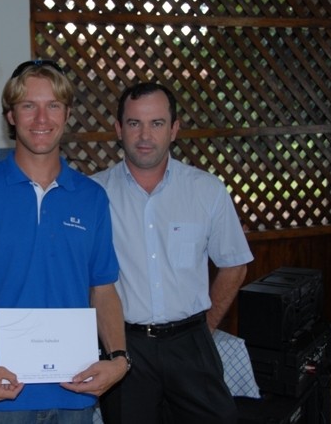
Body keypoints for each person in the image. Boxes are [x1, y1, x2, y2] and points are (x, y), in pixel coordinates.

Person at [0, 60, 129, 424]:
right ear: (11, 116)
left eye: (52, 105)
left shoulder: (91, 197)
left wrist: (119, 358)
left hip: (75, 390)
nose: (41, 118)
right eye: (28, 106)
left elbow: (103, 287)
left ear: (67, 115)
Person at [93, 82, 254, 424]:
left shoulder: (206, 190)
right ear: (119, 129)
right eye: (134, 123)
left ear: (175, 128)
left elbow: (234, 265)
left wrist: (204, 328)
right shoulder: (93, 193)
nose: (145, 135)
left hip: (191, 343)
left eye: (157, 123)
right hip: (124, 347)